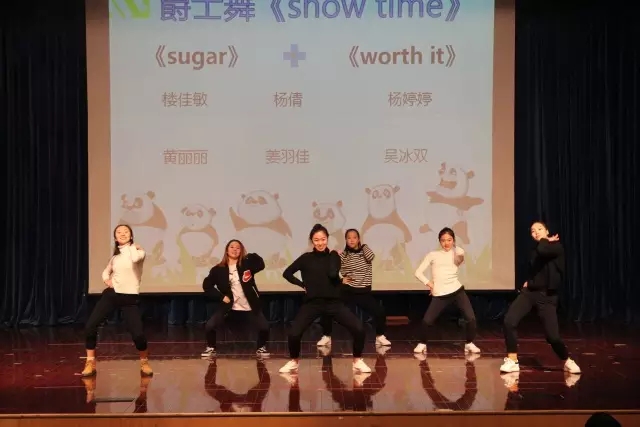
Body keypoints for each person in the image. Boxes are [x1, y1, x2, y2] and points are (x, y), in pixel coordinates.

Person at [279, 223, 371, 373]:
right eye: (316, 240)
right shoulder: (306, 258)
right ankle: (294, 361)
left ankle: (357, 360)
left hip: (333, 303)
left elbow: (333, 274)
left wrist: (334, 255)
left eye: (323, 239)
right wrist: (302, 284)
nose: (320, 243)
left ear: (327, 239)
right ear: (312, 241)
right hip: (312, 304)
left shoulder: (334, 256)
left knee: (359, 329)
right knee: (294, 333)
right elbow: (287, 273)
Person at [499, 221, 581, 374]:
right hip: (530, 293)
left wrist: (545, 239)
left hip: (547, 296)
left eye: (539, 229)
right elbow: (537, 269)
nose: (535, 232)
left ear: (547, 231)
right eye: (532, 231)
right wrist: (528, 282)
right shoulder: (535, 250)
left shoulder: (556, 247)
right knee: (509, 321)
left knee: (553, 337)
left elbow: (544, 251)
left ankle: (566, 359)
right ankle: (512, 360)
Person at [82, 224, 152, 377]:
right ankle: (90, 362)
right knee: (90, 326)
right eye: (119, 232)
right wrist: (107, 281)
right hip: (112, 295)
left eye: (126, 232)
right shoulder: (115, 257)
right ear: (115, 238)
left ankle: (144, 362)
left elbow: (134, 258)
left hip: (129, 298)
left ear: (131, 236)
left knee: (138, 335)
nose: (122, 234)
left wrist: (132, 246)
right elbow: (105, 272)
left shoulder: (139, 252)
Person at [316, 228, 391, 348]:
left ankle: (380, 336)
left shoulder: (365, 250)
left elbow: (371, 257)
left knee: (379, 311)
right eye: (349, 238)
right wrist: (341, 279)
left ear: (359, 239)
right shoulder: (343, 255)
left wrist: (363, 247)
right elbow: (333, 269)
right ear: (345, 240)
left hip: (363, 291)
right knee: (328, 308)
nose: (351, 240)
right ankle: (326, 336)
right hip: (347, 290)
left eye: (354, 237)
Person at [413, 227, 481, 355]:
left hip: (457, 291)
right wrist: (429, 284)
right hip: (440, 293)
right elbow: (418, 273)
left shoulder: (457, 254)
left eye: (449, 240)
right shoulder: (433, 255)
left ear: (453, 240)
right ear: (439, 241)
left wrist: (456, 247)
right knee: (427, 321)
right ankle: (422, 343)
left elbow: (460, 255)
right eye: (443, 240)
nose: (446, 243)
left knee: (471, 318)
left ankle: (469, 343)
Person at [201, 240, 270, 357]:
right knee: (210, 325)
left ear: (241, 251)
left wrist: (250, 255)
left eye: (238, 248)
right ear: (227, 250)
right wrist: (221, 297)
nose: (234, 249)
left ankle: (261, 348)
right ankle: (211, 348)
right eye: (232, 247)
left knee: (264, 327)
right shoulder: (218, 269)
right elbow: (207, 286)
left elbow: (261, 264)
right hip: (230, 305)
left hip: (250, 304)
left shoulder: (246, 265)